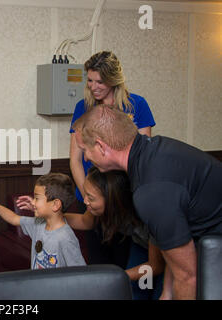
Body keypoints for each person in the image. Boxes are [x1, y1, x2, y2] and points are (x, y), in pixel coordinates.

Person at [72, 104, 222, 300]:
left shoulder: (151, 191)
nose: (85, 157)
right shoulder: (153, 151)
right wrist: (166, 296)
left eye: (85, 150)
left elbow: (188, 276)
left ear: (101, 146)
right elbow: (176, 246)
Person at [17, 167, 165, 299]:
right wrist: (48, 214)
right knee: (133, 292)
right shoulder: (99, 206)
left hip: (169, 250)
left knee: (161, 292)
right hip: (141, 245)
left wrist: (112, 277)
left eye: (91, 198)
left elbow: (155, 265)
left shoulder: (148, 213)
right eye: (85, 194)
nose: (85, 201)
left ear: (111, 199)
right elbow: (85, 221)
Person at [69, 51, 156, 266]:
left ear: (113, 80)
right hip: (92, 201)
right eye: (90, 80)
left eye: (100, 81)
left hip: (125, 201)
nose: (94, 86)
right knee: (99, 262)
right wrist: (88, 196)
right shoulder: (83, 107)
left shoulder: (137, 105)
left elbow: (141, 158)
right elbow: (75, 160)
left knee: (126, 262)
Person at [0, 173, 86, 269]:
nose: (33, 203)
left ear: (55, 205)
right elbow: (14, 218)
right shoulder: (39, 223)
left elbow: (80, 274)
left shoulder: (66, 238)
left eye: (37, 198)